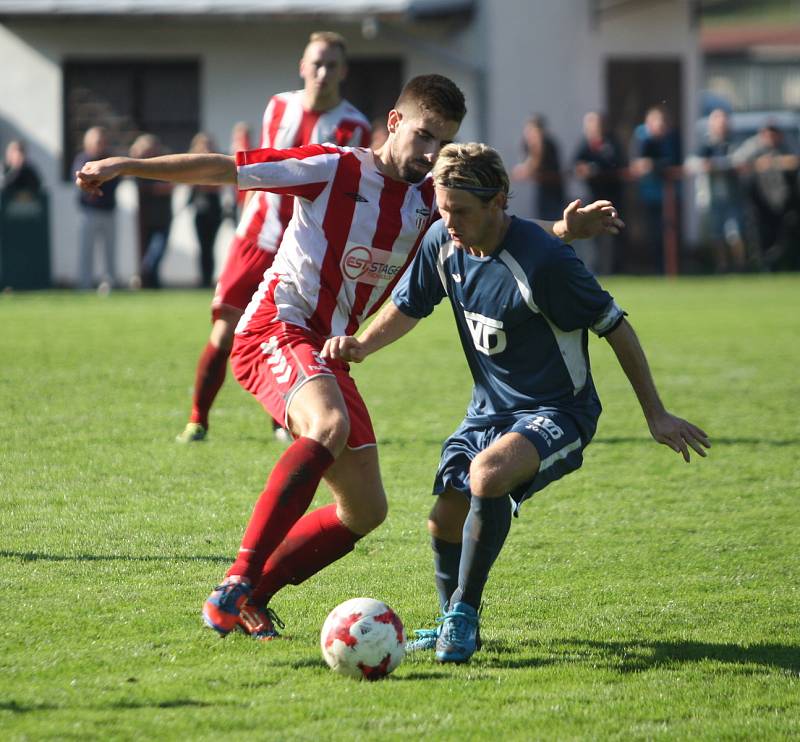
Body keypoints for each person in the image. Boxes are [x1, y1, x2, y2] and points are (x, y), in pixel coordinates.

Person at [76, 74, 622, 645]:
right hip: (276, 327)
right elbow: (224, 167)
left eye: (445, 140)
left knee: (365, 509)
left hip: (328, 351)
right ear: (394, 122)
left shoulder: (427, 199)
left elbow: (495, 228)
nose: (433, 153)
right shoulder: (333, 168)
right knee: (329, 425)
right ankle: (235, 581)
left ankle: (254, 596)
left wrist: (562, 228)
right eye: (425, 135)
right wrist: (123, 166)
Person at [322, 142, 710, 664]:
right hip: (488, 410)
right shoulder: (443, 242)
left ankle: (463, 613)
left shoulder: (546, 262)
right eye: (442, 208)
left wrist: (656, 414)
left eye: (461, 210)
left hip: (559, 410)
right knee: (442, 519)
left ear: (498, 202)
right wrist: (362, 345)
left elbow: (615, 326)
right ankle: (451, 623)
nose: (449, 220)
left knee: (486, 476)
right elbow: (409, 304)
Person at [175, 31, 371, 445]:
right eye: (316, 63)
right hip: (257, 237)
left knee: (294, 333)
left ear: (343, 72)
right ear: (302, 66)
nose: (322, 72)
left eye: (331, 65)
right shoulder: (278, 105)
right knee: (225, 332)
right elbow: (260, 168)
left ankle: (285, 419)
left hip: (305, 248)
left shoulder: (354, 126)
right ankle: (198, 419)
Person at [732, 122, 800, 271]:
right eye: (767, 133)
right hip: (759, 200)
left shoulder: (786, 145)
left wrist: (781, 162)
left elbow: (795, 159)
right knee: (761, 235)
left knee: (787, 232)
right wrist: (757, 164)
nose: (770, 137)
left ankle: (787, 262)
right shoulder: (753, 147)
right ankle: (763, 265)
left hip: (784, 200)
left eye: (773, 133)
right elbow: (736, 161)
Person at [689, 108, 746, 272]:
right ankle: (722, 267)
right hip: (712, 197)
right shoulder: (706, 144)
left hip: (732, 196)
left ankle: (740, 266)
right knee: (716, 235)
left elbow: (739, 160)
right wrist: (706, 165)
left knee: (735, 233)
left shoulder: (733, 143)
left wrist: (717, 165)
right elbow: (692, 163)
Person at [629, 106, 682, 273]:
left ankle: (670, 268)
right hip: (648, 195)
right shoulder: (641, 137)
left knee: (669, 232)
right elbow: (637, 164)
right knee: (653, 233)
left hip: (669, 196)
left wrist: (653, 165)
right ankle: (656, 268)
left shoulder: (672, 137)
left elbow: (673, 161)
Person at [573, 111, 626, 274]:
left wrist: (596, 168)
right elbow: (575, 164)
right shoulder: (585, 144)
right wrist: (583, 169)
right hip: (592, 198)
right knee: (591, 236)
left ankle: (614, 270)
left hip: (611, 198)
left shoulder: (612, 143)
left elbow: (618, 164)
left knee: (613, 233)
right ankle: (594, 269)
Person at [71, 126, 119, 290]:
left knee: (110, 251)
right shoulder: (81, 160)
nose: (100, 145)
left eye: (102, 141)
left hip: (108, 210)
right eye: (97, 141)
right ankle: (84, 285)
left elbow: (114, 182)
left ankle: (110, 284)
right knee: (86, 251)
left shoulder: (109, 160)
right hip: (89, 212)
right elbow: (80, 183)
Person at [129, 134, 174, 289]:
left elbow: (170, 185)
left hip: (163, 216)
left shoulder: (164, 165)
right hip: (146, 217)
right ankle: (146, 279)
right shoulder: (139, 169)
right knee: (150, 252)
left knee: (158, 251)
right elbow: (160, 188)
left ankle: (150, 280)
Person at [511, 115, 565, 220]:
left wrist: (525, 170)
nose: (528, 134)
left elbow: (535, 165)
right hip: (542, 190)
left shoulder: (548, 144)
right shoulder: (529, 145)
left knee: (554, 221)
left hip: (554, 190)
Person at [188, 133, 224, 288]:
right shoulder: (192, 161)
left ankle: (208, 277)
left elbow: (218, 186)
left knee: (210, 245)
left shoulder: (218, 161)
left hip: (214, 207)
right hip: (200, 207)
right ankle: (204, 277)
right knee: (203, 245)